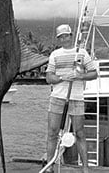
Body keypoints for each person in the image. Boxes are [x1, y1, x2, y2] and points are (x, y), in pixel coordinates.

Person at [45, 24, 97, 173]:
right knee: (52, 132)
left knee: (80, 132)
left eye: (66, 35)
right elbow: (49, 77)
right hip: (57, 97)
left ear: (71, 35)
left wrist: (80, 76)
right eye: (61, 37)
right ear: (58, 39)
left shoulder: (82, 53)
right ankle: (50, 166)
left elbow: (94, 74)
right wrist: (62, 77)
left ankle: (85, 167)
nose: (64, 38)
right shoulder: (55, 54)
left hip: (76, 98)